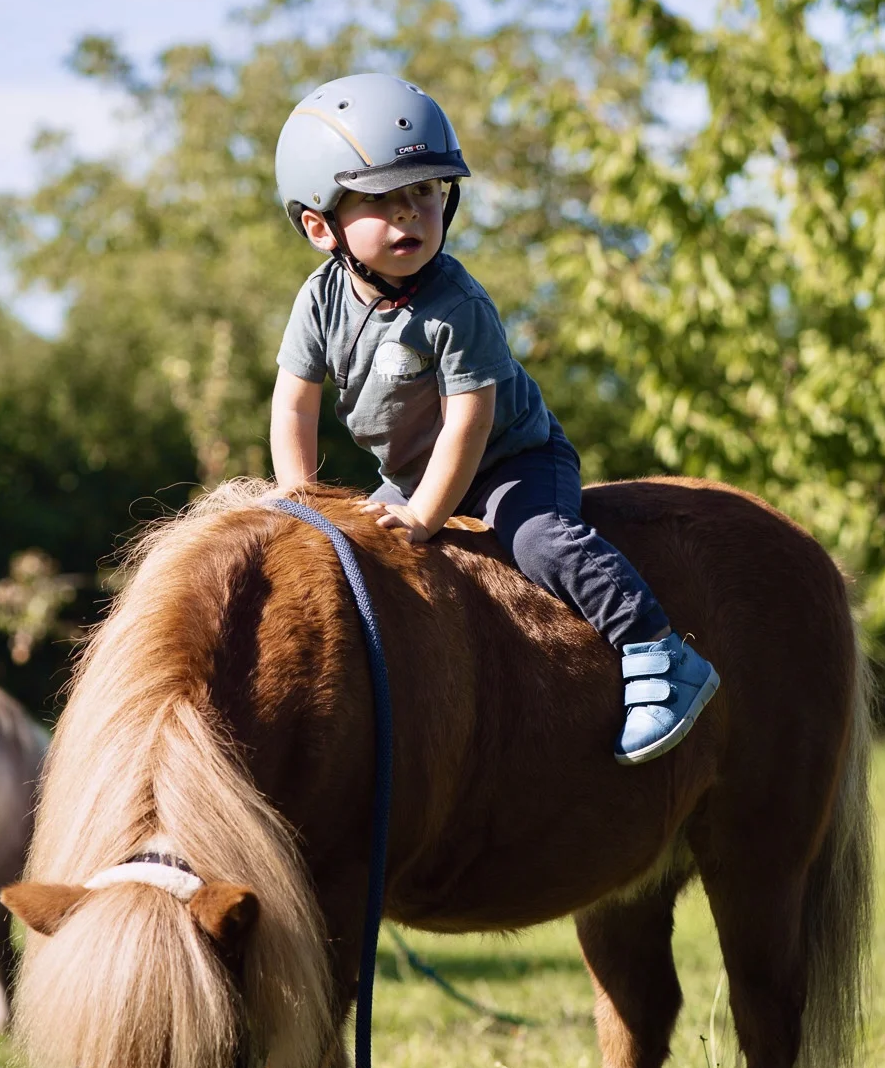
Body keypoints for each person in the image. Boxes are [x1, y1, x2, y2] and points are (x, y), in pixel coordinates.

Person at [269, 73, 718, 764]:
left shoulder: (456, 305)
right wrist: (299, 498)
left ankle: (654, 648)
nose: (411, 215)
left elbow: (467, 425)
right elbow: (294, 401)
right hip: (415, 470)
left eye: (425, 193)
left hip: (510, 460)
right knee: (356, 556)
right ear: (317, 224)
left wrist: (423, 517)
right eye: (383, 200)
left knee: (539, 540)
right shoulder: (320, 299)